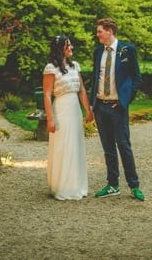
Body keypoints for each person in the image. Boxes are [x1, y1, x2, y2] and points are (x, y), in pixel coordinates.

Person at [89, 17, 144, 201]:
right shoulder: (98, 52)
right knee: (108, 148)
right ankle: (112, 184)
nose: (97, 34)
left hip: (117, 108)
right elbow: (95, 77)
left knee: (123, 145)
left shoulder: (127, 50)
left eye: (99, 31)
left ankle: (134, 185)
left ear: (110, 31)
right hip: (100, 107)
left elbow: (136, 78)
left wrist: (124, 101)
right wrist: (92, 103)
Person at [43, 35, 94, 200]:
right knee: (62, 146)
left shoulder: (75, 66)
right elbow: (47, 94)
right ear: (60, 49)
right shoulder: (51, 68)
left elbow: (82, 90)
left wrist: (88, 110)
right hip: (61, 110)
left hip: (74, 110)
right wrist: (50, 119)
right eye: (68, 46)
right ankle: (62, 186)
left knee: (75, 146)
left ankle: (75, 185)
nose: (72, 48)